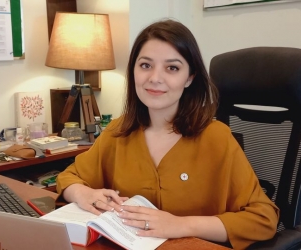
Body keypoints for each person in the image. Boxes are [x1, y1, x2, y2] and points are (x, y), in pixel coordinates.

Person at [56, 19, 279, 249]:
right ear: (133, 70)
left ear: (190, 77)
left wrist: (182, 225)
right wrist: (82, 193)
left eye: (172, 68)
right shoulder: (118, 131)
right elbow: (68, 177)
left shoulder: (217, 138)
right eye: (145, 65)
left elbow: (263, 219)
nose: (155, 78)